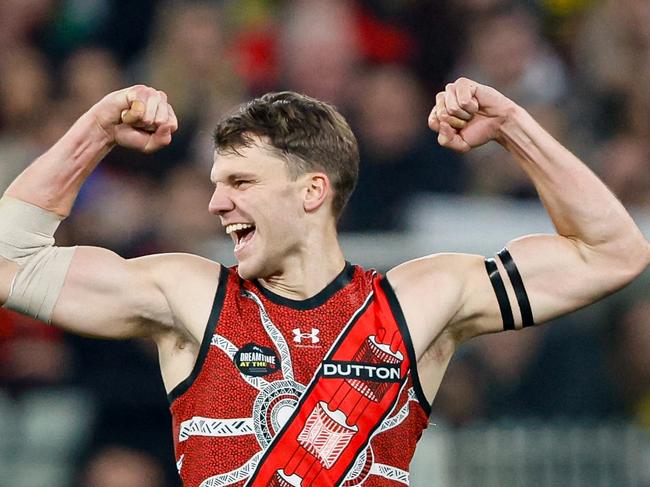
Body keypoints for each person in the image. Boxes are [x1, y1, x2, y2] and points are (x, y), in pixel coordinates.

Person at [0, 78, 647, 487]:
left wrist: (512, 126)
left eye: (241, 183)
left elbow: (612, 251)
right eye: (217, 183)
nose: (215, 205)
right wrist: (92, 134)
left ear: (311, 192)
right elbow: (9, 261)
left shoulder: (418, 300)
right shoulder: (190, 296)